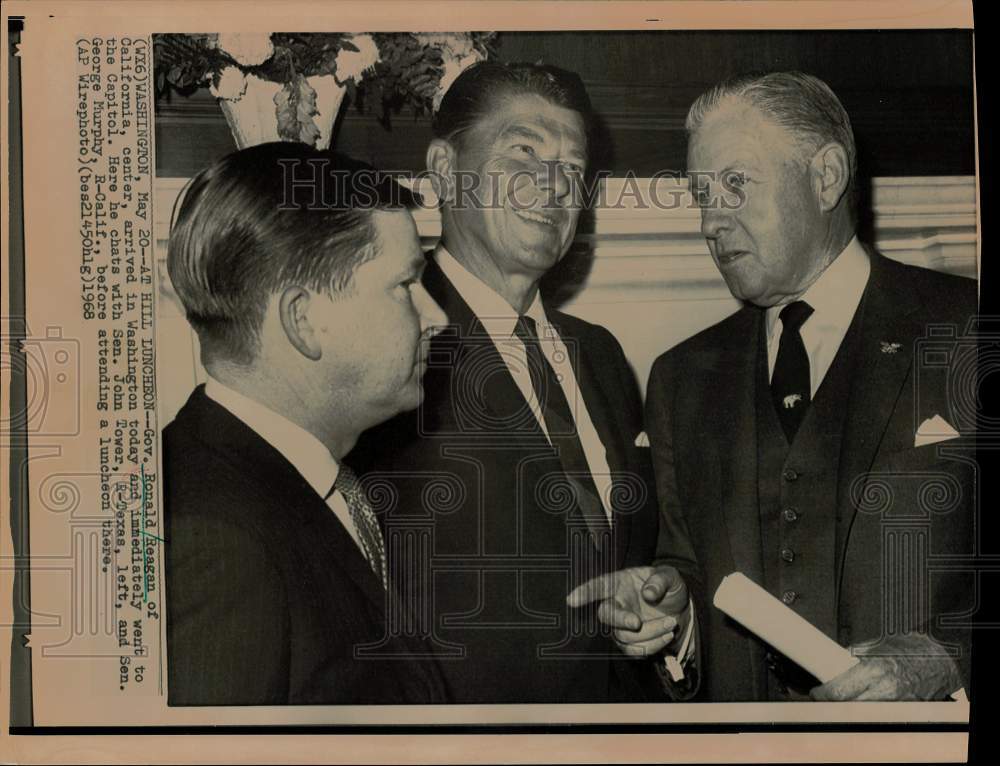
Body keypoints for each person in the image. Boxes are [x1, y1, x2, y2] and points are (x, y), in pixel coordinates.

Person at [573, 71, 977, 701]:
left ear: (826, 176)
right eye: (702, 194)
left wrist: (951, 658)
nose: (711, 222)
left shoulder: (971, 328)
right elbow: (685, 570)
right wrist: (672, 620)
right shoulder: (680, 378)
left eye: (736, 184)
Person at [351, 62, 668, 703]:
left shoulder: (601, 356)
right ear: (444, 168)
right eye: (523, 152)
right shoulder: (392, 337)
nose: (553, 186)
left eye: (573, 169)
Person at [162, 143, 451, 705]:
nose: (437, 317)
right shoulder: (212, 540)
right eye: (405, 286)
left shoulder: (307, 479)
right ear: (304, 320)